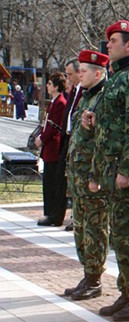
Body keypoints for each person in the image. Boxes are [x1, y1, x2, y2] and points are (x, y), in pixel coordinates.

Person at [87, 20, 129, 322]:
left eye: (114, 41)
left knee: (126, 235)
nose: (109, 45)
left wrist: (126, 168)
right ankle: (127, 292)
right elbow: (112, 123)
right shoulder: (117, 78)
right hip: (112, 167)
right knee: (119, 235)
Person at [63, 50, 110, 301]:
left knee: (95, 229)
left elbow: (103, 142)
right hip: (79, 176)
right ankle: (88, 274)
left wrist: (95, 175)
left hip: (93, 178)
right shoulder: (85, 96)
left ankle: (95, 278)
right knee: (81, 228)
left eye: (84, 70)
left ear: (99, 73)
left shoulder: (103, 98)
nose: (79, 74)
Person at [36, 73, 68, 226]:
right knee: (48, 182)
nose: (47, 86)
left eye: (49, 84)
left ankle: (54, 214)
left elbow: (54, 127)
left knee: (54, 184)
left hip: (54, 148)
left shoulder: (61, 103)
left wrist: (42, 139)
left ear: (56, 86)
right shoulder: (53, 103)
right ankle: (49, 212)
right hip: (48, 149)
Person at [59, 59, 83, 231]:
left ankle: (78, 216)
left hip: (78, 142)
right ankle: (75, 215)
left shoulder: (84, 90)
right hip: (69, 139)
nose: (68, 78)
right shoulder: (74, 91)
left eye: (70, 74)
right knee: (70, 179)